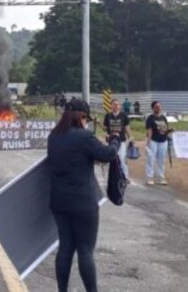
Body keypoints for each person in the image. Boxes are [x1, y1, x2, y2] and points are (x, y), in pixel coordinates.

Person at [48, 99, 119, 292]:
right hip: (82, 203)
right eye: (86, 118)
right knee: (85, 250)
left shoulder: (53, 136)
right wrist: (115, 140)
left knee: (65, 248)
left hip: (59, 202)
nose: (87, 121)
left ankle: (62, 290)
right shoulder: (84, 137)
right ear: (81, 116)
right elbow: (107, 154)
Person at [103, 99, 132, 179]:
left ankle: (125, 176)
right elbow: (105, 128)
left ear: (119, 106)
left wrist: (130, 137)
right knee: (113, 158)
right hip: (111, 140)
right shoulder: (108, 116)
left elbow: (127, 128)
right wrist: (98, 123)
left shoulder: (123, 116)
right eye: (114, 104)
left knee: (122, 158)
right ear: (111, 106)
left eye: (117, 104)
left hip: (121, 140)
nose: (116, 106)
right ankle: (114, 176)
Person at [145, 101, 172, 186]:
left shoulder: (163, 117)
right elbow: (149, 131)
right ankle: (150, 177)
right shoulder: (150, 118)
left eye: (159, 106)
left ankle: (161, 177)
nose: (159, 108)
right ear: (153, 108)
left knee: (161, 160)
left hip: (163, 141)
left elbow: (165, 130)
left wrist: (170, 131)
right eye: (156, 107)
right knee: (151, 159)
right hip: (153, 141)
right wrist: (148, 144)